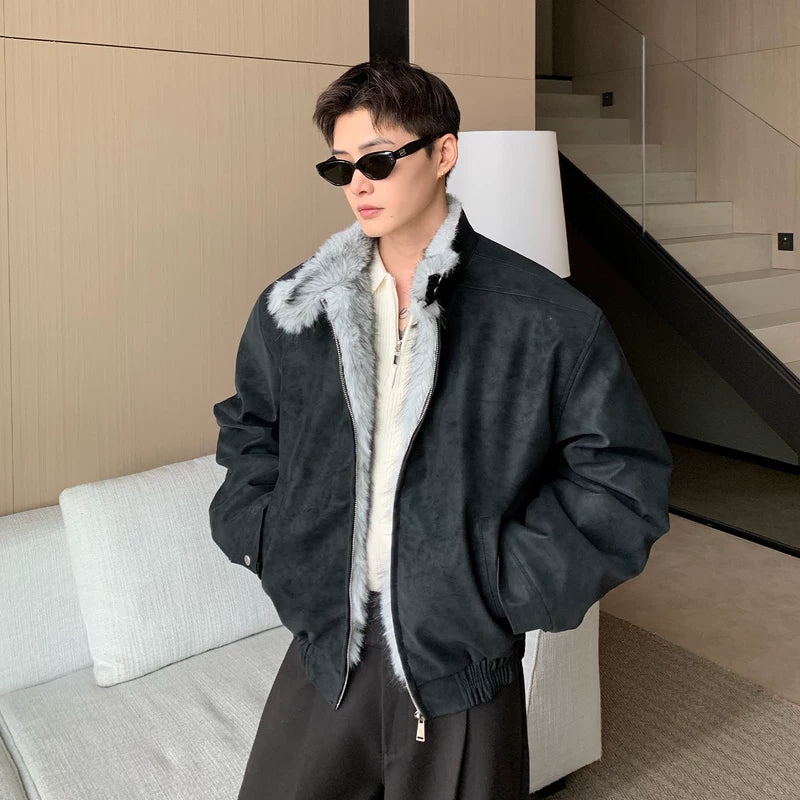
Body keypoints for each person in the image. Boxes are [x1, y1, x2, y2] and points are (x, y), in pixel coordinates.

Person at [209, 56, 673, 800]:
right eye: (340, 167)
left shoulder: (546, 319)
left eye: (378, 160)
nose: (358, 184)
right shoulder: (297, 309)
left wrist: (497, 584)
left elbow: (623, 486)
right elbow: (249, 434)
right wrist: (270, 539)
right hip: (328, 643)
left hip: (460, 665)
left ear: (444, 152)